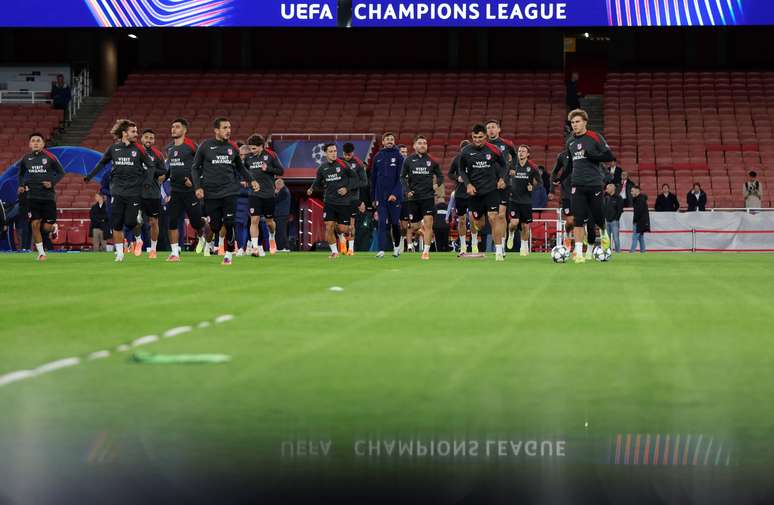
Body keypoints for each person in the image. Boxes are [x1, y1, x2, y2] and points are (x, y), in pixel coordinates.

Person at [85, 119, 156, 262]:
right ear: (124, 133)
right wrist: (90, 176)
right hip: (117, 192)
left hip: (134, 192)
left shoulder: (139, 149)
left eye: (136, 131)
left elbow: (151, 166)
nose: (136, 134)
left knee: (130, 222)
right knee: (116, 224)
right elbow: (102, 163)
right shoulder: (113, 149)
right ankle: (119, 253)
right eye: (133, 131)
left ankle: (138, 237)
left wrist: (148, 182)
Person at [191, 117, 258, 265]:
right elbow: (195, 168)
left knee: (229, 223)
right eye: (225, 128)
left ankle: (228, 254)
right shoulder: (205, 146)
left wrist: (251, 179)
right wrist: (198, 187)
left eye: (229, 127)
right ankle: (209, 237)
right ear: (216, 130)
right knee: (215, 226)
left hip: (230, 191)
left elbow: (240, 167)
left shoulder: (233, 147)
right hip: (211, 193)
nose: (228, 130)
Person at [565, 109, 614, 263]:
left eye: (577, 122)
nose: (574, 125)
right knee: (578, 219)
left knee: (598, 216)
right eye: (572, 122)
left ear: (585, 122)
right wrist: (560, 178)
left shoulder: (595, 137)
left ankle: (604, 231)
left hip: (594, 184)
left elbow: (609, 156)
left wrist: (591, 156)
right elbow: (570, 164)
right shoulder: (570, 141)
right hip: (577, 184)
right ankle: (579, 252)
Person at [459, 123, 507, 261]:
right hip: (475, 193)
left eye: (480, 137)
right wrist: (468, 184)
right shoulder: (466, 151)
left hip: (491, 190)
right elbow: (461, 169)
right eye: (475, 137)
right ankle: (479, 221)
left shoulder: (494, 149)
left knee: (493, 217)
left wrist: (501, 178)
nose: (477, 140)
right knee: (480, 224)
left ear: (485, 136)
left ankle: (499, 251)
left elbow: (504, 165)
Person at [17, 133, 64, 260]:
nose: (36, 143)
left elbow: (61, 172)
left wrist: (52, 183)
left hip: (48, 197)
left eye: (38, 141)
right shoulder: (26, 158)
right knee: (34, 224)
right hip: (32, 196)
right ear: (29, 144)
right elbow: (20, 174)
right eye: (33, 141)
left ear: (43, 144)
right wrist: (21, 185)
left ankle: (53, 228)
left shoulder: (50, 157)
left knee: (46, 227)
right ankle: (41, 253)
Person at [306, 143, 357, 259]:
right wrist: (312, 188)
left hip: (344, 202)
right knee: (329, 226)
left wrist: (346, 188)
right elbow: (317, 182)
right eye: (331, 151)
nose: (334, 153)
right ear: (325, 153)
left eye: (335, 151)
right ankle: (334, 252)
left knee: (342, 228)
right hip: (329, 202)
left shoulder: (344, 164)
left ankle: (341, 234)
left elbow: (355, 178)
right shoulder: (322, 168)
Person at [164, 118, 206, 261]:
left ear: (184, 130)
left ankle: (202, 234)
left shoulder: (192, 146)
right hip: (175, 191)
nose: (173, 129)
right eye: (172, 127)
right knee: (172, 221)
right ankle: (175, 252)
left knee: (196, 222)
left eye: (177, 127)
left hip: (190, 191)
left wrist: (194, 182)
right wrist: (163, 177)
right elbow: (171, 168)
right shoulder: (169, 148)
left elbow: (202, 166)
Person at [400, 135, 443, 260]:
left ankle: (426, 251)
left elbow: (440, 176)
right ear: (414, 146)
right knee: (414, 226)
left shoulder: (432, 160)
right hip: (413, 198)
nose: (423, 145)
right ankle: (420, 231)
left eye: (424, 143)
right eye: (420, 143)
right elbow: (402, 177)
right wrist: (407, 190)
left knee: (429, 223)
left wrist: (436, 184)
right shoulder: (408, 160)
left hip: (428, 197)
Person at [244, 134, 285, 257]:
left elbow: (281, 171)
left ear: (261, 146)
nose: (252, 151)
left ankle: (272, 236)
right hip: (254, 193)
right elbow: (243, 171)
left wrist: (268, 169)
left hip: (268, 194)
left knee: (269, 222)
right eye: (250, 148)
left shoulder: (271, 155)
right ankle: (255, 248)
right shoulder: (248, 158)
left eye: (254, 148)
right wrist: (246, 180)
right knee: (254, 220)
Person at [133, 129, 167, 258]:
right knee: (135, 220)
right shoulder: (134, 152)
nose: (149, 140)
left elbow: (163, 171)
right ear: (141, 138)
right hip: (136, 192)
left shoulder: (158, 154)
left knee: (153, 222)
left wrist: (151, 170)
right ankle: (138, 240)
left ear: (154, 140)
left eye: (151, 138)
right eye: (146, 137)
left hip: (153, 193)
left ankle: (153, 249)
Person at [485, 119, 517, 255]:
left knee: (501, 215)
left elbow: (515, 156)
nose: (491, 130)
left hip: (504, 183)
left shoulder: (507, 144)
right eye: (488, 128)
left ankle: (501, 245)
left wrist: (513, 168)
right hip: (488, 184)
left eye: (493, 127)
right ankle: (496, 242)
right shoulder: (483, 145)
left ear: (499, 129)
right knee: (492, 217)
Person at [370, 132, 404, 258]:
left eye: (392, 139)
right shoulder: (377, 157)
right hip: (381, 197)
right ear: (383, 142)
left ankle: (396, 248)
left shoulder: (399, 156)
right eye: (387, 139)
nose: (390, 141)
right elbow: (373, 179)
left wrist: (395, 193)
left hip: (395, 198)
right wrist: (373, 198)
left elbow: (401, 178)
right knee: (382, 223)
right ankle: (381, 250)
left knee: (395, 223)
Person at [506, 145, 541, 256]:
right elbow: (503, 177)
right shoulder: (512, 165)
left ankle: (524, 247)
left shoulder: (533, 167)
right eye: (519, 151)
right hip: (513, 199)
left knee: (525, 226)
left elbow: (540, 183)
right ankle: (510, 233)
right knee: (514, 223)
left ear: (528, 154)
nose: (521, 153)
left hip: (526, 201)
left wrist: (533, 187)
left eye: (523, 151)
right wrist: (508, 176)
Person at [448, 139, 474, 255]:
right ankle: (463, 245)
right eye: (463, 150)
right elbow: (450, 173)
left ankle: (474, 242)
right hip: (460, 194)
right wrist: (457, 178)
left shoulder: (474, 158)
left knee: (473, 219)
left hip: (472, 193)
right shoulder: (457, 159)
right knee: (462, 220)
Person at [342, 142, 368, 256]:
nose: (347, 156)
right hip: (338, 199)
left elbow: (364, 182)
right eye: (345, 154)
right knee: (339, 225)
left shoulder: (358, 164)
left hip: (352, 198)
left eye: (349, 154)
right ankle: (342, 246)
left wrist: (348, 188)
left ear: (353, 152)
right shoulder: (338, 162)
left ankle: (351, 249)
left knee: (351, 224)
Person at [551, 150, 574, 250]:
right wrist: (552, 189)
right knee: (570, 221)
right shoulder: (563, 156)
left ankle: (578, 247)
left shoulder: (584, 153)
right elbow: (554, 171)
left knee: (580, 221)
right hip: (567, 194)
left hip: (581, 192)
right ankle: (567, 235)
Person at [603, 183, 624, 253]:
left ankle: (618, 252)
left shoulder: (619, 198)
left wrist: (616, 218)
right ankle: (608, 252)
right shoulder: (606, 197)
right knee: (607, 238)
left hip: (614, 221)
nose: (606, 190)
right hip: (607, 221)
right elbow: (604, 208)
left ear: (612, 189)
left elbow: (620, 210)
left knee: (616, 238)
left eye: (607, 188)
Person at [630, 185, 650, 253]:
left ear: (637, 191)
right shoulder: (640, 199)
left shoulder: (640, 200)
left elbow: (638, 212)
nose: (631, 193)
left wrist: (635, 221)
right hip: (642, 222)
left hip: (639, 222)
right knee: (641, 238)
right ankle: (643, 252)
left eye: (632, 191)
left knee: (635, 237)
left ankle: (632, 252)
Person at [274, 178, 291, 252]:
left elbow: (275, 200)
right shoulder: (285, 190)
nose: (276, 188)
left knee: (281, 231)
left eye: (276, 186)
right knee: (280, 230)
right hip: (282, 214)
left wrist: (275, 193)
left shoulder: (283, 191)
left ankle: (285, 247)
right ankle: (280, 247)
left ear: (279, 185)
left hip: (281, 214)